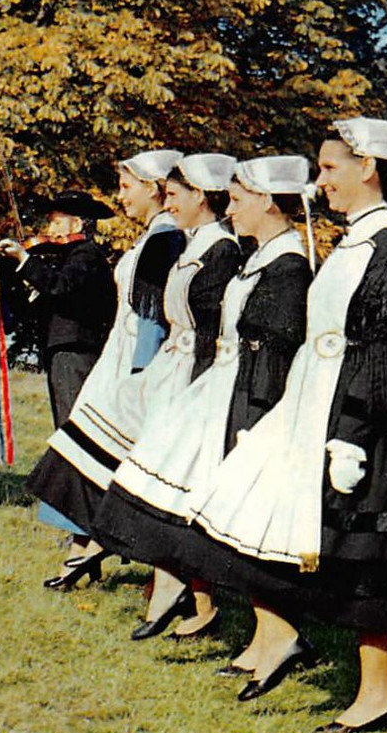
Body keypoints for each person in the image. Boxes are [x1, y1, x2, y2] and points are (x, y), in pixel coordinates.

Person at [189, 118, 387, 733]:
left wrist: (352, 437)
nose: (319, 181)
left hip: (364, 426)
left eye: (330, 169)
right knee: (258, 515)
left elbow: (385, 356)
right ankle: (277, 641)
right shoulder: (354, 244)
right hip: (316, 410)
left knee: (368, 554)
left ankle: (377, 697)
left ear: (369, 169)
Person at [93, 154, 312, 658]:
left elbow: (272, 348)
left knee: (228, 509)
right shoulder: (256, 257)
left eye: (237, 200)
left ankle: (270, 634)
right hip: (219, 387)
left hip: (245, 397)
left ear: (267, 201)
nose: (231, 211)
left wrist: (251, 416)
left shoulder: (286, 265)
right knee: (174, 490)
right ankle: (239, 622)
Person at [23, 151, 185, 589]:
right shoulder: (151, 237)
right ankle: (84, 550)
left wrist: (138, 378)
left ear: (154, 189)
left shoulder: (166, 239)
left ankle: (105, 556)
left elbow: (154, 317)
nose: (121, 197)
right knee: (81, 453)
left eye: (128, 188)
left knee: (105, 459)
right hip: (118, 356)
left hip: (134, 364)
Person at [100, 152, 242, 639]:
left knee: (172, 484)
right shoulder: (194, 243)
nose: (170, 202)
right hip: (172, 370)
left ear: (201, 197)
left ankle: (174, 587)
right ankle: (193, 600)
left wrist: (193, 391)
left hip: (195, 379)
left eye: (177, 194)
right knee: (159, 481)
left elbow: (213, 329)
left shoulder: (223, 251)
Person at [0, 193, 117, 429]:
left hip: (75, 348)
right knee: (66, 418)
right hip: (65, 347)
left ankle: (73, 467)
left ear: (78, 223)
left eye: (56, 222)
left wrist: (24, 258)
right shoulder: (67, 257)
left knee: (71, 423)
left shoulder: (86, 254)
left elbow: (59, 287)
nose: (50, 229)